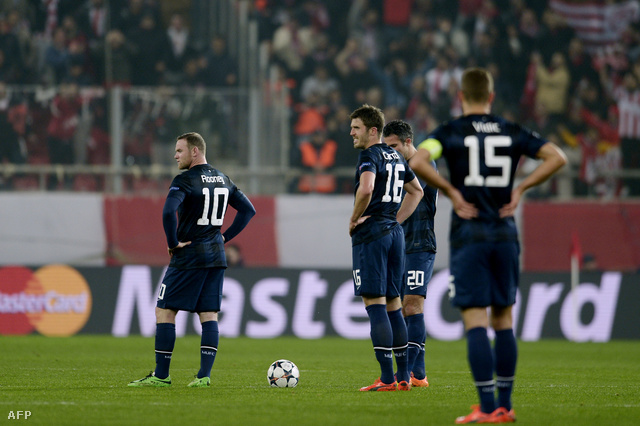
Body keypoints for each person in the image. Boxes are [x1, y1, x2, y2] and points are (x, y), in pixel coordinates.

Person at [408, 68, 567, 423]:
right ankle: (505, 406)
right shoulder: (512, 131)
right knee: (504, 320)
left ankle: (486, 405)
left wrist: (451, 190)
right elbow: (557, 157)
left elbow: (418, 158)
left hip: (470, 235)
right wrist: (522, 187)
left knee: (476, 321)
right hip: (505, 234)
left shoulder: (449, 132)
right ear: (491, 97)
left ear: (461, 96)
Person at [129, 132, 256, 388]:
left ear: (195, 151)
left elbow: (168, 212)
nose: (175, 155)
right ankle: (203, 376)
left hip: (189, 255)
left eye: (179, 150)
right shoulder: (223, 179)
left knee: (165, 310)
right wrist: (224, 237)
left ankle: (161, 376)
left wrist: (172, 242)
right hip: (216, 256)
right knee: (208, 314)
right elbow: (248, 210)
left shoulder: (185, 180)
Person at [348, 104, 423, 391]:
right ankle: (404, 376)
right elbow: (417, 191)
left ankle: (387, 378)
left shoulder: (369, 156)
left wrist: (354, 219)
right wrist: (395, 219)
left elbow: (366, 189)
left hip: (372, 236)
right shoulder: (396, 156)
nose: (351, 133)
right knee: (394, 304)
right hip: (394, 234)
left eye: (356, 127)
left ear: (372, 130)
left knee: (375, 304)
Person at [382, 119, 437, 388]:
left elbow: (410, 196)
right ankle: (419, 373)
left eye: (393, 146)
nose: (390, 152)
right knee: (403, 310)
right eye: (386, 147)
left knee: (412, 305)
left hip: (420, 244)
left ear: (407, 142)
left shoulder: (421, 166)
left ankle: (402, 373)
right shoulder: (398, 165)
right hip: (400, 245)